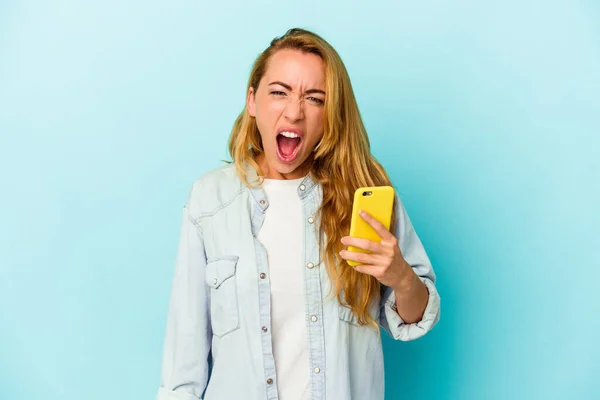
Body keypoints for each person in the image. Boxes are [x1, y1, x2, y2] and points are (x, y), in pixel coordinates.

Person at [156, 27, 440, 400]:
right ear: (252, 101)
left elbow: (415, 319)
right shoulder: (209, 200)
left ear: (331, 113)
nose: (294, 111)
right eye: (279, 92)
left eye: (315, 98)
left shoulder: (362, 193)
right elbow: (182, 366)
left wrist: (402, 276)